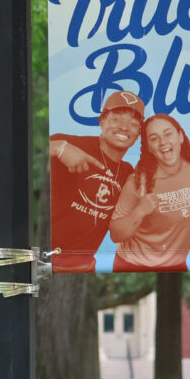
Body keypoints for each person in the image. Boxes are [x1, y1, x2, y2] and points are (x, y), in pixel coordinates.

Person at [50, 89, 145, 271]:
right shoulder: (71, 144)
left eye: (133, 123)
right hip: (48, 260)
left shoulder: (128, 173)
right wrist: (58, 148)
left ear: (139, 133)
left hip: (82, 267)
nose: (124, 127)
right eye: (116, 118)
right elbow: (23, 153)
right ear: (102, 121)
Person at [109, 114, 190, 271]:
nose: (163, 142)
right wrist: (140, 211)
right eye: (154, 138)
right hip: (132, 264)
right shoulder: (138, 182)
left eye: (168, 134)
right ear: (148, 147)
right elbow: (116, 235)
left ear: (180, 136)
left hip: (176, 264)